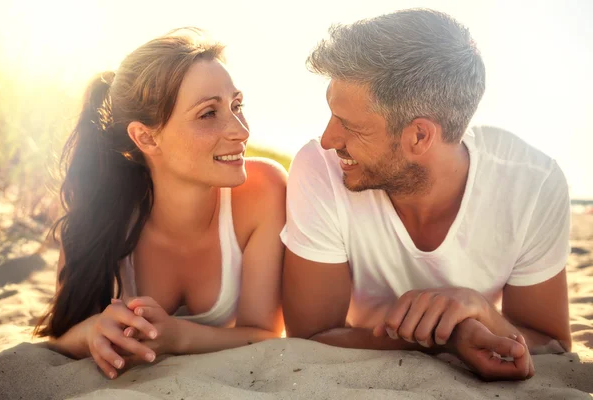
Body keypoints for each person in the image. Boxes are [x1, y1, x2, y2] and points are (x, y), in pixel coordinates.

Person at [281, 9, 571, 381]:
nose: (328, 139)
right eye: (332, 115)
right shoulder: (321, 168)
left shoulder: (533, 185)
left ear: (419, 136)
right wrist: (447, 338)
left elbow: (554, 348)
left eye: (350, 126)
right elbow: (310, 337)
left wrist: (481, 310)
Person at [35, 28, 286, 380]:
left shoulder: (265, 190)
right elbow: (61, 333)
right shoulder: (102, 208)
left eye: (237, 105)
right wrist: (93, 331)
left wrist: (178, 337)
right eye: (209, 113)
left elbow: (265, 335)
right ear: (146, 137)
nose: (241, 130)